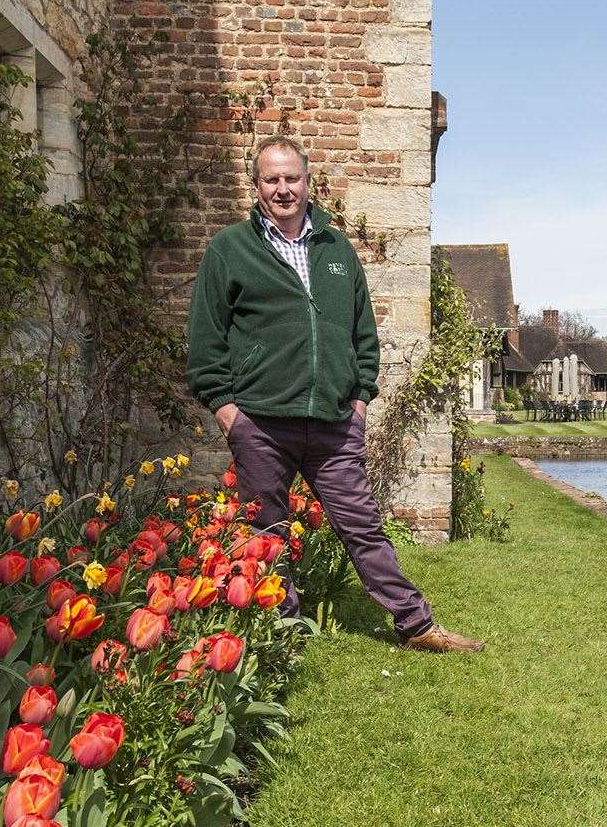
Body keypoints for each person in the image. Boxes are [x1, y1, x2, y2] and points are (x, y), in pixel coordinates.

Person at [186, 135, 484, 653]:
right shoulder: (229, 250)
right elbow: (206, 338)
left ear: (308, 181)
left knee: (363, 526)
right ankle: (284, 633)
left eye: (291, 178)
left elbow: (363, 333)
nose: (283, 189)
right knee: (265, 533)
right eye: (271, 179)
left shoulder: (337, 250)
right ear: (256, 187)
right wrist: (227, 410)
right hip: (260, 422)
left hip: (333, 422)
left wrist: (360, 399)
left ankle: (415, 625)